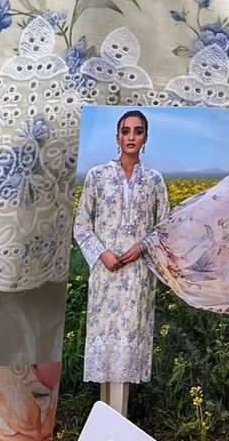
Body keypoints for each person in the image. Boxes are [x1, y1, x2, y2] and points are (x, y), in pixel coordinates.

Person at [73, 111, 170, 414]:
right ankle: (106, 423)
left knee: (126, 349)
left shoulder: (154, 181)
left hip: (137, 277)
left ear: (145, 138)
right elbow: (81, 226)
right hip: (105, 275)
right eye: (125, 131)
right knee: (106, 351)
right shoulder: (97, 176)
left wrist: (142, 247)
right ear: (117, 137)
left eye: (138, 131)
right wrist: (102, 254)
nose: (131, 137)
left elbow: (165, 229)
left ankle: (119, 422)